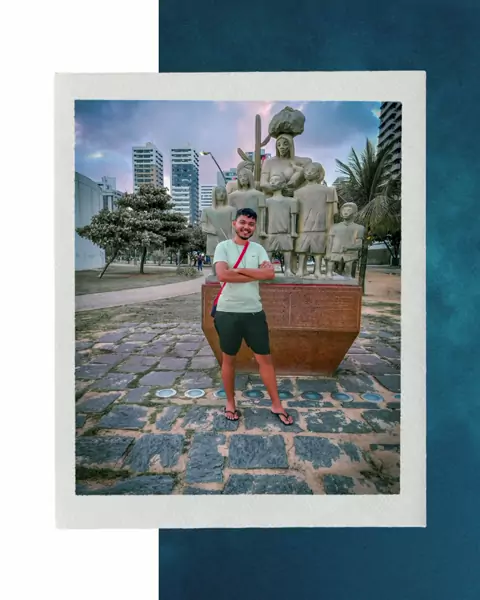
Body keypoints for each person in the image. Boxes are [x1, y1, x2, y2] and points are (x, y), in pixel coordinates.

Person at [213, 207, 294, 425]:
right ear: (234, 224)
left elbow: (269, 274)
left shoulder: (258, 249)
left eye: (251, 224)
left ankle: (276, 404)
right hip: (227, 312)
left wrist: (237, 271)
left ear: (254, 227)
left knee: (265, 360)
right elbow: (222, 275)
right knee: (228, 360)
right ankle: (230, 403)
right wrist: (254, 273)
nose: (246, 227)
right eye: (242, 222)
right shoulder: (223, 247)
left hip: (254, 313)